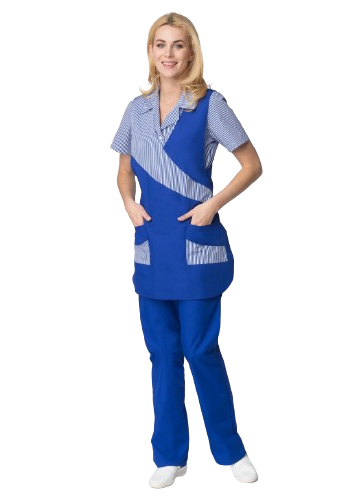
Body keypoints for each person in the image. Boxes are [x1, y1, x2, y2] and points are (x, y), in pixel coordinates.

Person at [110, 11, 262, 489]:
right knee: (161, 354)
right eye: (161, 44)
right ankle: (170, 457)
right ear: (150, 51)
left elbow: (252, 164)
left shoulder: (211, 104)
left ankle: (231, 450)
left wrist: (212, 205)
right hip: (152, 248)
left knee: (200, 349)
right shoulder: (135, 110)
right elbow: (124, 170)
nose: (169, 53)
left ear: (192, 52)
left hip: (198, 249)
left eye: (178, 45)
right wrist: (129, 203)